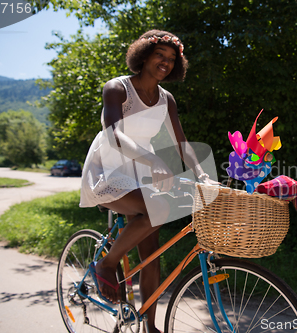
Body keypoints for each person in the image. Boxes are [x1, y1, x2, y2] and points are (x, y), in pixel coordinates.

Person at [79, 29, 217, 333]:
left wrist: (202, 173)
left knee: (152, 257)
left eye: (171, 59)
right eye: (160, 55)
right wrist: (154, 160)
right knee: (160, 210)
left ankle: (150, 326)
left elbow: (182, 144)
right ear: (143, 55)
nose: (166, 62)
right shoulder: (117, 88)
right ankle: (107, 264)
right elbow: (113, 134)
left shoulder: (166, 99)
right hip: (110, 170)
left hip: (141, 173)